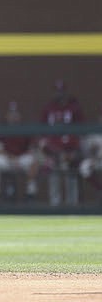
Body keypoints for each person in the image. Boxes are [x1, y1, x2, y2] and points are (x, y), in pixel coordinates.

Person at [37, 79, 84, 207]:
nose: (60, 95)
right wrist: (50, 152)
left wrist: (72, 152)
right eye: (58, 92)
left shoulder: (74, 108)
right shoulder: (48, 108)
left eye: (62, 92)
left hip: (70, 151)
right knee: (52, 168)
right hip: (52, 152)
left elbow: (80, 132)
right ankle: (55, 205)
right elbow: (42, 134)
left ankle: (73, 204)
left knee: (71, 169)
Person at [0, 101, 38, 204]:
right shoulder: (2, 127)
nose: (13, 116)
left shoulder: (25, 128)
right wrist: (12, 158)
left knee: (32, 161)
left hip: (22, 158)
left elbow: (32, 148)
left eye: (15, 114)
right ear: (7, 115)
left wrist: (22, 158)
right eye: (11, 114)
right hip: (6, 159)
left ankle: (31, 194)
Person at [78, 107, 102, 205]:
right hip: (96, 160)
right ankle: (100, 188)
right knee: (84, 167)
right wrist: (92, 154)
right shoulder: (94, 132)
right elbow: (85, 148)